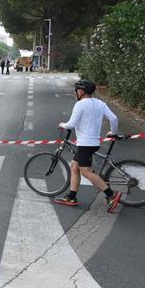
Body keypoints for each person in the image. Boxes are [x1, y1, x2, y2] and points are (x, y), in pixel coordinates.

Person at [54, 79, 122, 211]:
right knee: (74, 166)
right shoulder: (100, 104)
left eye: (76, 91)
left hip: (86, 143)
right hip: (93, 142)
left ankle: (111, 195)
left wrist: (62, 125)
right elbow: (114, 118)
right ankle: (71, 197)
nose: (75, 93)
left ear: (81, 91)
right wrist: (113, 132)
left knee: (85, 171)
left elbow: (71, 124)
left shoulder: (80, 104)